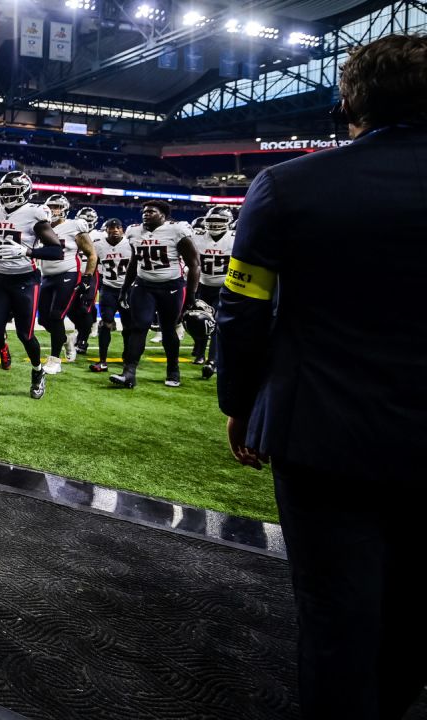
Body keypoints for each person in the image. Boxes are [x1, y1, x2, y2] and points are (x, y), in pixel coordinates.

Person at [218, 34, 427, 720]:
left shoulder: (289, 185)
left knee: (337, 620)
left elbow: (242, 315)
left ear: (350, 102)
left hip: (323, 436)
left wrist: (239, 403)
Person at [0, 171, 64, 409]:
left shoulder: (34, 213)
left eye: (10, 192)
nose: (5, 197)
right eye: (2, 192)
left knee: (25, 335)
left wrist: (27, 252)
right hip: (0, 279)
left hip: (25, 280)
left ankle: (38, 371)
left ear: (24, 192)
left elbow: (57, 250)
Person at [109, 200, 198, 388]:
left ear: (163, 215)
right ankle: (129, 372)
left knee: (168, 329)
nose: (146, 214)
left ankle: (173, 369)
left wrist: (191, 296)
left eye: (151, 211)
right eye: (144, 211)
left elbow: (194, 264)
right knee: (138, 327)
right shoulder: (134, 231)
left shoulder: (177, 230)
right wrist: (125, 288)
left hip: (171, 286)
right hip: (143, 286)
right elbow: (134, 262)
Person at [37, 194, 96, 376]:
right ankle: (64, 339)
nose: (54, 210)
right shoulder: (41, 227)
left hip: (68, 273)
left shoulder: (74, 226)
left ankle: (55, 360)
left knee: (56, 316)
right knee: (43, 319)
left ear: (64, 209)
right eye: (51, 206)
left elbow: (91, 254)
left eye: (57, 207)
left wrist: (87, 277)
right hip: (47, 275)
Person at [190, 205, 234, 374]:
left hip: (224, 288)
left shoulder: (234, 238)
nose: (215, 224)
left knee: (216, 323)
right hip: (203, 285)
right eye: (212, 221)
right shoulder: (197, 236)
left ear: (228, 222)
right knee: (196, 321)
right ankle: (199, 352)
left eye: (219, 221)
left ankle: (212, 361)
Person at [89, 219, 131, 373]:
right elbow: (93, 266)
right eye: (111, 228)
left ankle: (128, 357)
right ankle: (102, 361)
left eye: (118, 227)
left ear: (123, 229)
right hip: (108, 289)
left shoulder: (130, 244)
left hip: (128, 290)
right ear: (105, 230)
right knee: (105, 324)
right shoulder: (98, 244)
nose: (115, 230)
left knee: (129, 326)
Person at [65, 207, 101, 362]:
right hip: (71, 273)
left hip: (90, 274)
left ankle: (83, 339)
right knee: (70, 308)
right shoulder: (72, 232)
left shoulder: (100, 236)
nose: (86, 223)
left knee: (84, 308)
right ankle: (86, 326)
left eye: (89, 220)